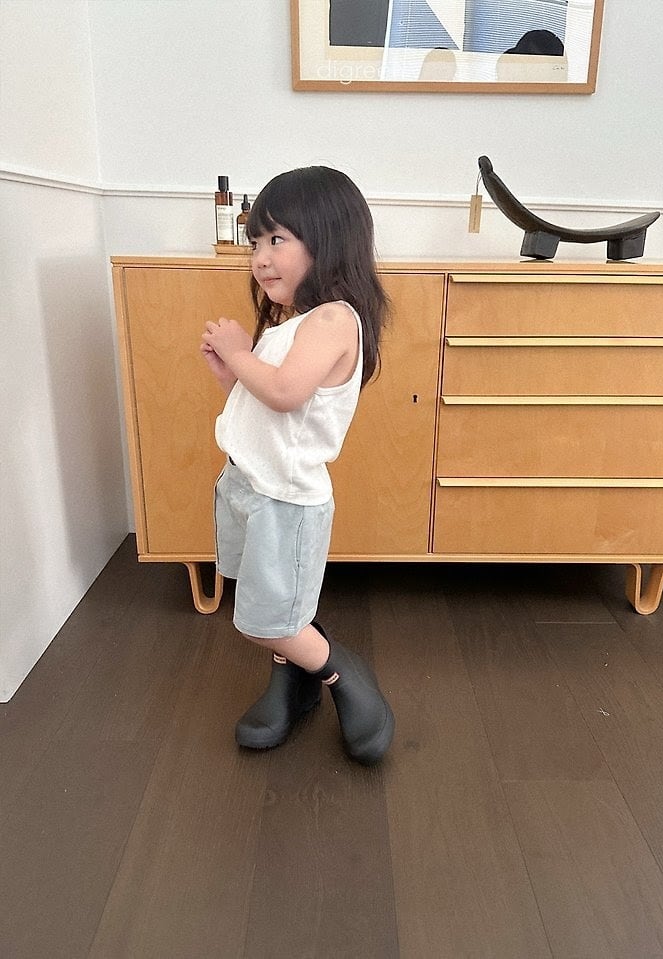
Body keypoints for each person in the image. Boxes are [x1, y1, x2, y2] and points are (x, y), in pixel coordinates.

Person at [200, 166, 395, 765]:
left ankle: (337, 669)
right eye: (256, 242)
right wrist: (234, 373)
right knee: (269, 599)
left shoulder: (334, 320)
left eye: (277, 239)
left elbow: (284, 393)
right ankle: (292, 674)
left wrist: (239, 350)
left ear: (328, 239)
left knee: (265, 617)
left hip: (284, 499)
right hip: (247, 485)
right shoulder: (292, 325)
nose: (260, 257)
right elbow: (268, 407)